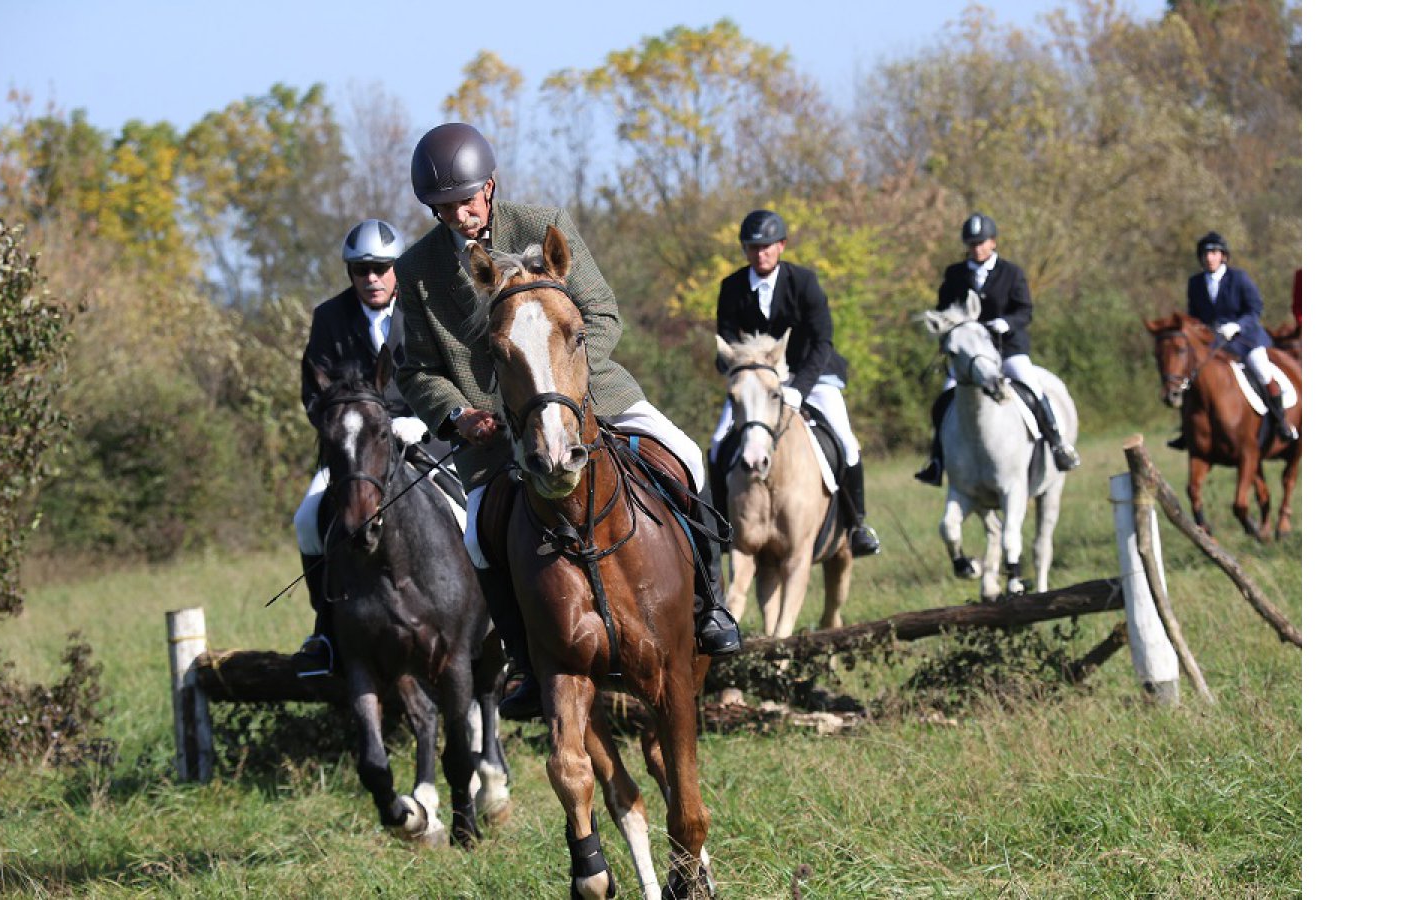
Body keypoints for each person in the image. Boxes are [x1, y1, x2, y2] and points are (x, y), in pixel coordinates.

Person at [392, 122, 742, 721]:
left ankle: (709, 605)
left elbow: (600, 311)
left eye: (466, 202)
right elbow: (419, 369)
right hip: (494, 428)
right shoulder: (418, 269)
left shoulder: (540, 225)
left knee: (689, 455)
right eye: (443, 208)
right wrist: (456, 415)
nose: (458, 216)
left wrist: (561, 387)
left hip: (585, 394)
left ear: (491, 188)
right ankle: (528, 666)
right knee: (478, 534)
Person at [289, 218, 451, 677]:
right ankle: (326, 631)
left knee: (469, 515)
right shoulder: (328, 318)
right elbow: (313, 395)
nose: (373, 278)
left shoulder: (425, 311)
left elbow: (451, 377)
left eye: (381, 267)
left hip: (422, 438)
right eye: (362, 270)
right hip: (356, 449)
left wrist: (422, 422)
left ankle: (495, 626)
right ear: (351, 274)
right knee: (306, 521)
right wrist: (345, 429)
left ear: (397, 268)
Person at [708, 209, 881, 557]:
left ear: (781, 246)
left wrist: (798, 389)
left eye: (767, 247)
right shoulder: (731, 287)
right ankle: (723, 527)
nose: (761, 254)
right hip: (758, 384)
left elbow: (822, 342)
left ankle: (857, 525)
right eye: (753, 247)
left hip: (811, 375)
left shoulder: (804, 283)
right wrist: (737, 368)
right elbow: (726, 339)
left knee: (846, 442)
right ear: (745, 250)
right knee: (716, 443)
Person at [915, 213, 1081, 486]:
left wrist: (1006, 323)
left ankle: (1058, 444)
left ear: (993, 242)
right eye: (971, 244)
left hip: (1008, 349)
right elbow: (946, 309)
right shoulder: (955, 274)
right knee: (945, 396)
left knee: (1033, 387)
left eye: (981, 243)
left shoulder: (1011, 272)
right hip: (971, 357)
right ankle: (936, 461)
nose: (976, 248)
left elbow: (1025, 311)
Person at [1166, 231, 1297, 449]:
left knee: (1261, 369)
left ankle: (1281, 421)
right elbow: (1194, 315)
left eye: (1214, 253)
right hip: (1214, 343)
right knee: (1189, 376)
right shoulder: (1195, 283)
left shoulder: (1239, 278)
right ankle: (1187, 431)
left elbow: (1255, 309)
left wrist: (1237, 325)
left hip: (1246, 339)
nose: (1209, 258)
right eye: (1205, 254)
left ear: (1223, 256)